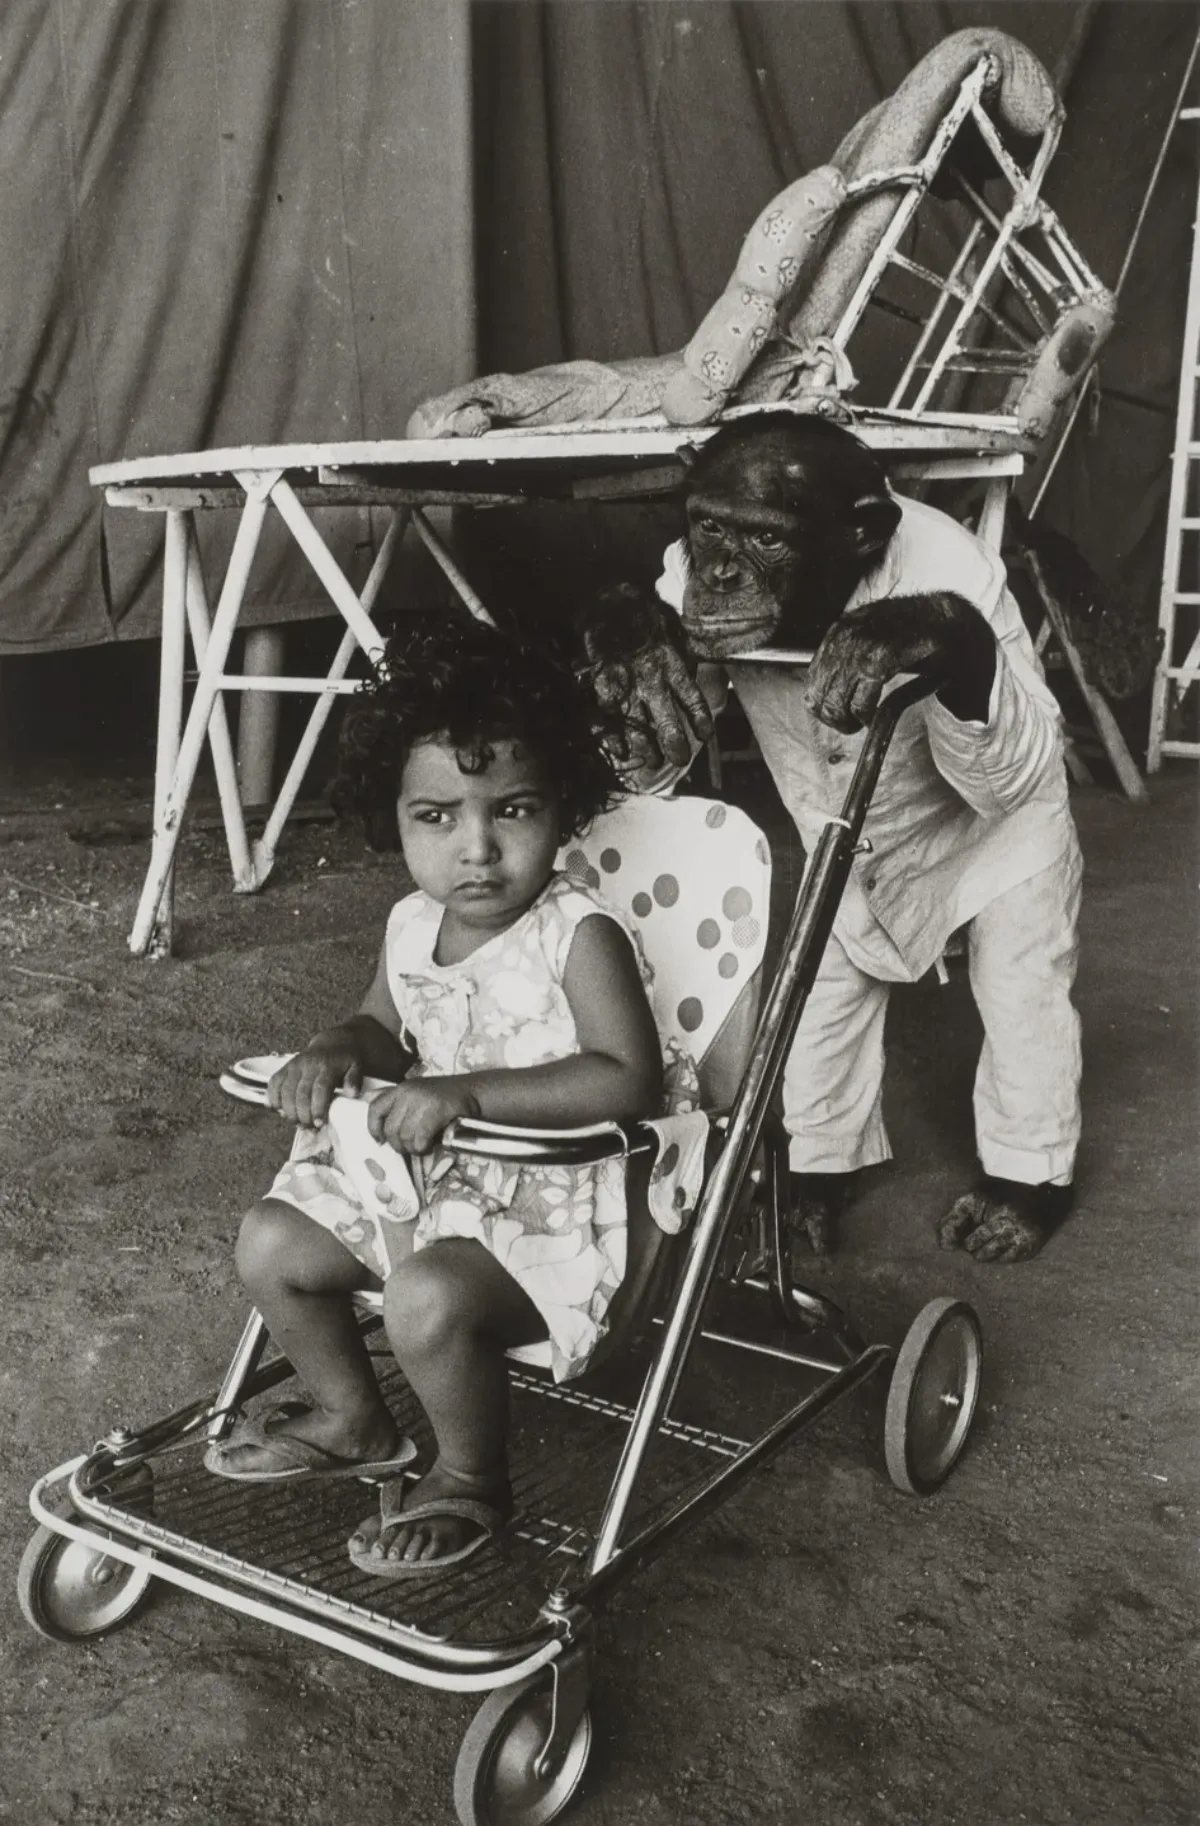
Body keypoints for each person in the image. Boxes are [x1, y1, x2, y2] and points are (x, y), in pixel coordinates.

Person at [206, 612, 697, 1574]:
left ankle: (471, 1478)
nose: (476, 849)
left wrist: (466, 1094)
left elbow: (624, 1077)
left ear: (564, 809)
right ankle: (355, 1416)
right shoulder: (408, 923)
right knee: (271, 1242)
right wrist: (333, 1048)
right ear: (391, 817)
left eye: (511, 810)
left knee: (423, 1301)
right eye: (437, 818)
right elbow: (381, 1025)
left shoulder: (575, 933)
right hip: (421, 1182)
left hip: (547, 1212)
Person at [584, 414, 1081, 1264]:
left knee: (1023, 996)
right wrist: (627, 636)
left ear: (861, 535)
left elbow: (1013, 783)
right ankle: (819, 1171)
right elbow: (650, 770)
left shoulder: (945, 565)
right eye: (708, 526)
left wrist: (958, 647)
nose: (721, 567)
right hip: (842, 832)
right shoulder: (690, 576)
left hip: (995, 836)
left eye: (765, 544)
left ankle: (1029, 1178)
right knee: (818, 1004)